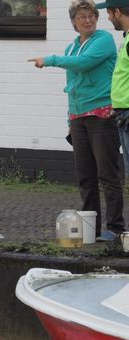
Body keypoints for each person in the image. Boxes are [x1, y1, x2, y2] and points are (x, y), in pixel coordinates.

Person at [29, 0, 123, 242]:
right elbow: (72, 83)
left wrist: (50, 59)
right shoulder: (72, 47)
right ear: (74, 22)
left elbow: (84, 64)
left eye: (91, 16)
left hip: (101, 115)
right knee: (85, 175)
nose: (88, 20)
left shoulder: (103, 40)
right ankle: (90, 228)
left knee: (107, 174)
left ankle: (115, 227)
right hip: (78, 117)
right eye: (82, 17)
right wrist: (69, 118)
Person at [98, 0, 129, 240]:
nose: (108, 18)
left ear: (118, 11)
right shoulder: (126, 38)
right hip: (122, 113)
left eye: (109, 13)